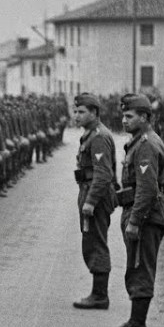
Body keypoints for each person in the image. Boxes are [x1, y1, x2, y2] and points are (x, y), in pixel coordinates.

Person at [107, 93, 164, 327]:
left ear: (145, 117)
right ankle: (135, 322)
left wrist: (134, 221)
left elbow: (147, 189)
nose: (124, 120)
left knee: (140, 269)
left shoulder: (146, 144)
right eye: (123, 116)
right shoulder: (140, 141)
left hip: (146, 217)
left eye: (129, 116)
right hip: (144, 214)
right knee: (136, 267)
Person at [71, 93, 117, 310]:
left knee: (96, 242)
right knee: (90, 241)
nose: (76, 115)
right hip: (89, 191)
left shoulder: (98, 136)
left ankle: (100, 295)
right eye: (75, 111)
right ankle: (97, 292)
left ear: (94, 113)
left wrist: (90, 202)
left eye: (81, 112)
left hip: (96, 195)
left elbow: (103, 174)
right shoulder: (90, 134)